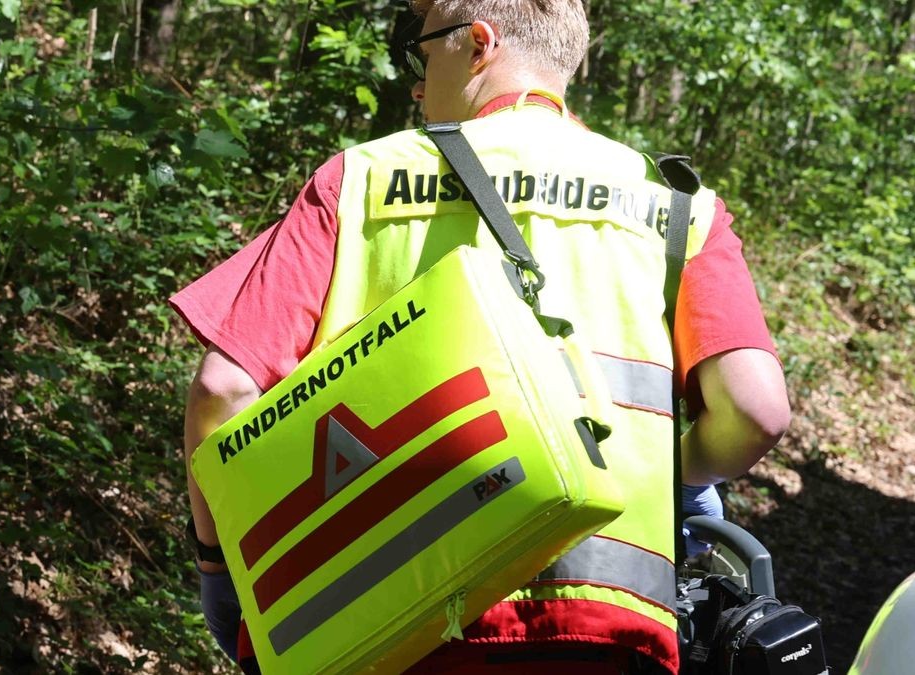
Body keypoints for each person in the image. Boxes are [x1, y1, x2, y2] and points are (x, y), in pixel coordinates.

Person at [171, 1, 790, 673]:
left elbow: (223, 389)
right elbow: (756, 410)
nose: (415, 82)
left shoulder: (360, 182)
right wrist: (664, 471)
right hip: (608, 629)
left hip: (390, 623)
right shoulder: (676, 206)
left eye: (424, 53)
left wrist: (220, 571)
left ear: (478, 44)